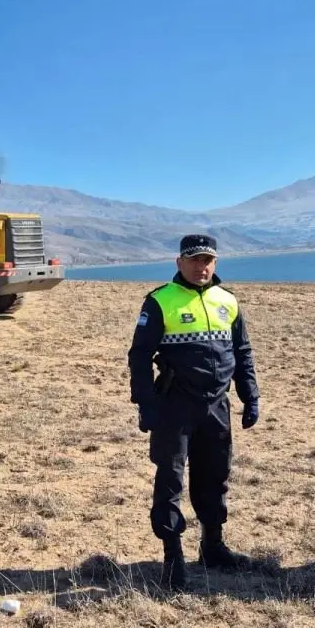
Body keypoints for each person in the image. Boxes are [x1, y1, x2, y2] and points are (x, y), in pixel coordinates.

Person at [127, 233, 261, 590]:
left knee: (215, 476)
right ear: (179, 263)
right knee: (170, 480)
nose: (202, 267)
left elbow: (242, 352)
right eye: (195, 260)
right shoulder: (160, 301)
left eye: (208, 261)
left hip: (217, 405)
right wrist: (146, 404)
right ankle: (173, 557)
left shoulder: (227, 301)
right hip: (175, 407)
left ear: (215, 263)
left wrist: (251, 397)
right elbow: (139, 357)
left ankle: (212, 547)